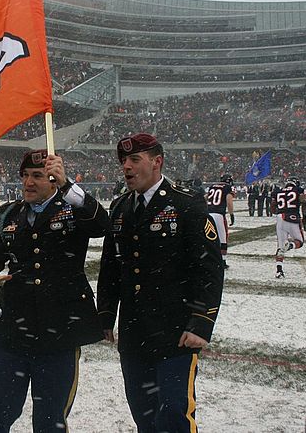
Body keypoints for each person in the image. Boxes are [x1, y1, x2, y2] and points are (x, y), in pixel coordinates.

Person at [97, 133, 223, 433]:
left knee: (173, 416)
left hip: (175, 333)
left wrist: (202, 322)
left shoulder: (186, 203)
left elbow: (209, 268)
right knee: (144, 415)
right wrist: (105, 315)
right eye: (123, 161)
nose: (126, 166)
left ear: (157, 162)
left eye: (134, 160)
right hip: (133, 333)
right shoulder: (120, 208)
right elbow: (110, 266)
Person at [0, 149, 109, 432]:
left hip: (59, 334)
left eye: (37, 176)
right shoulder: (7, 214)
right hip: (13, 333)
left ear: (53, 179)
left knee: (50, 421)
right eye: (25, 176)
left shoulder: (73, 209)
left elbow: (102, 225)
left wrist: (68, 186)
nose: (28, 182)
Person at [271, 176, 306, 278]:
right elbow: (304, 201)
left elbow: (273, 208)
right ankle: (290, 246)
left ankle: (279, 270)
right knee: (300, 241)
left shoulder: (278, 191)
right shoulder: (298, 190)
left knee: (280, 247)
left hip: (280, 218)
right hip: (293, 217)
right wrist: (304, 216)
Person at [206, 174, 236, 269]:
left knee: (210, 238)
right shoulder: (227, 188)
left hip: (209, 213)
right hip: (219, 214)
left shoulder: (213, 186)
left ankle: (209, 259)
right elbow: (229, 201)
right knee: (223, 238)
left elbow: (205, 197)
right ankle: (223, 261)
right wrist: (231, 215)